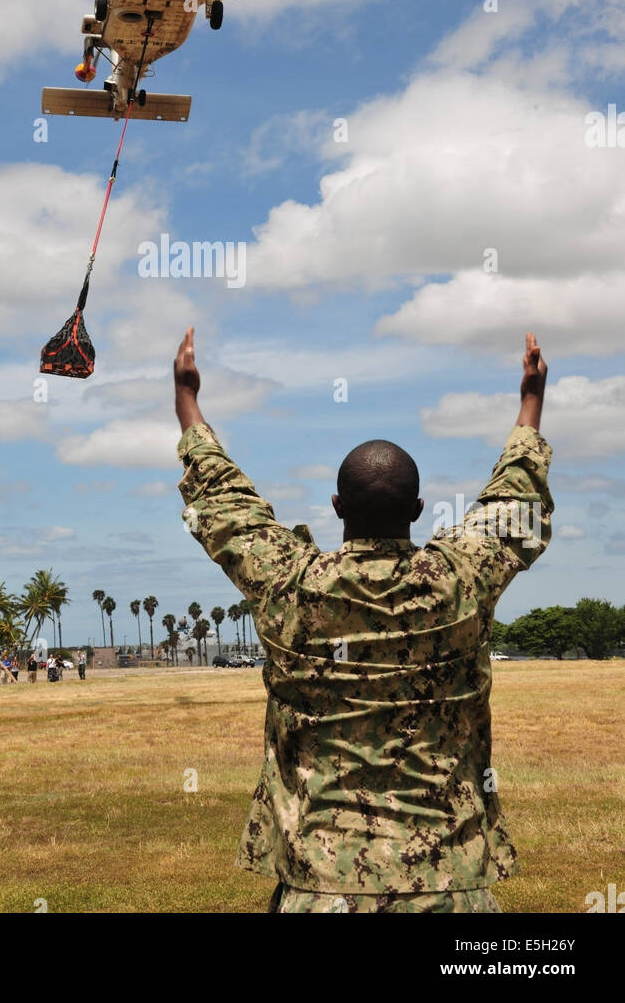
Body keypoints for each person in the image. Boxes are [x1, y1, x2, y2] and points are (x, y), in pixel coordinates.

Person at [174, 327, 552, 915]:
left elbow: (227, 506)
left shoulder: (291, 583)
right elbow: (514, 499)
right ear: (419, 511)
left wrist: (188, 401)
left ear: (337, 508)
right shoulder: (459, 582)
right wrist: (530, 402)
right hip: (448, 883)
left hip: (320, 887)